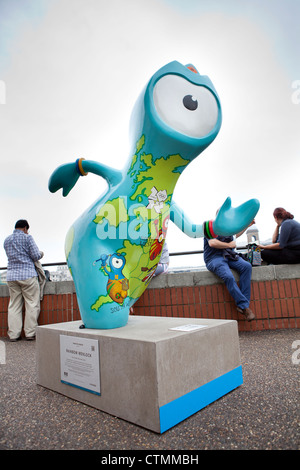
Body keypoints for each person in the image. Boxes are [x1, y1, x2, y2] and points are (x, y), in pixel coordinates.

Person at [203, 222, 255, 321]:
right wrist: (229, 244)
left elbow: (235, 235)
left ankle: (243, 305)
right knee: (228, 276)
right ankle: (244, 307)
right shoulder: (208, 227)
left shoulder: (228, 227)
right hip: (214, 259)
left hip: (229, 255)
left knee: (246, 266)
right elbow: (212, 243)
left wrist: (246, 224)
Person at [3, 220, 44, 341]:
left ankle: (13, 335)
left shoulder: (7, 240)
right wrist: (42, 253)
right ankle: (30, 333)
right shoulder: (27, 238)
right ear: (25, 228)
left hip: (11, 276)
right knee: (32, 304)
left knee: (14, 305)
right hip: (27, 275)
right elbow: (36, 255)